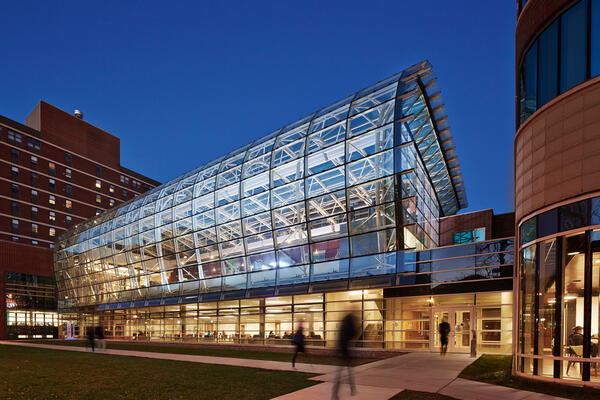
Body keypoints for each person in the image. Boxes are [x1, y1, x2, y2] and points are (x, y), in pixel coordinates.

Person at [332, 312, 357, 399]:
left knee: (342, 373)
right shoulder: (348, 322)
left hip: (342, 351)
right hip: (344, 351)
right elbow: (352, 334)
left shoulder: (344, 321)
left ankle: (336, 394)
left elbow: (343, 337)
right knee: (346, 372)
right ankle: (351, 389)